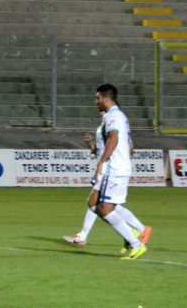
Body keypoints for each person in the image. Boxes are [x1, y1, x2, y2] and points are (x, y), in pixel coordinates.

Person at [63, 112, 152, 252]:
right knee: (104, 204)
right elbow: (101, 150)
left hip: (109, 168)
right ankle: (138, 230)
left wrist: (113, 161)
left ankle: (84, 235)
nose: (100, 110)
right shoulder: (104, 126)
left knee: (96, 203)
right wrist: (91, 145)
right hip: (104, 165)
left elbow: (128, 148)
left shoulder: (115, 125)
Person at [87, 84, 149, 260]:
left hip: (115, 169)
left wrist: (102, 161)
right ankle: (132, 235)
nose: (96, 102)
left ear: (106, 99)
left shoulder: (113, 116)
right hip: (117, 167)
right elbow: (128, 146)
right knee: (93, 203)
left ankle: (135, 242)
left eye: (98, 98)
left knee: (105, 209)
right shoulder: (119, 116)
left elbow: (114, 138)